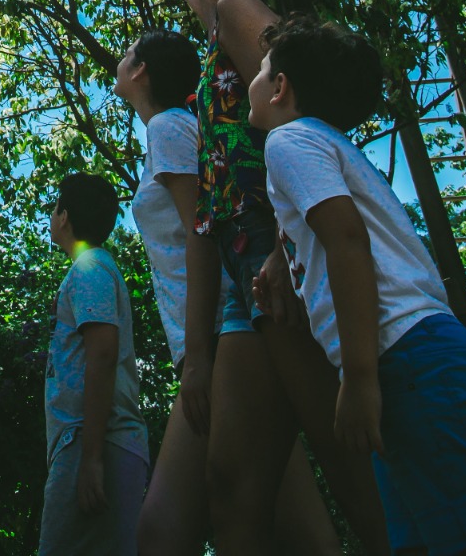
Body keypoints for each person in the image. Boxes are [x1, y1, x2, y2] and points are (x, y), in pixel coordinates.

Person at [167, 0, 389, 556]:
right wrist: (200, 348)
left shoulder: (236, 7)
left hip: (273, 253)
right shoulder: (212, 40)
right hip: (242, 269)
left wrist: (278, 249)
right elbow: (211, 204)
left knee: (350, 460)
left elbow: (302, 105)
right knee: (230, 486)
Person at [250, 14, 466, 556]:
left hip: (403, 361)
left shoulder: (287, 141)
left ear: (281, 87)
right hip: (415, 359)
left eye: (262, 70)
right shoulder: (329, 145)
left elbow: (347, 241)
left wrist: (357, 379)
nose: (256, 78)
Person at [116, 29, 340, 556]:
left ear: (141, 71)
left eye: (129, 55)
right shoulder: (173, 128)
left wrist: (198, 357)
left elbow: (205, 230)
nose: (121, 61)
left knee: (162, 530)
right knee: (295, 526)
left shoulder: (168, 127)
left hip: (221, 336)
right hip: (221, 334)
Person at [41, 171, 149, 556]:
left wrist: (90, 458)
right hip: (95, 444)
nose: (52, 215)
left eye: (55, 207)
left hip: (95, 442)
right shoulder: (92, 270)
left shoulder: (89, 269)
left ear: (65, 216)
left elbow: (102, 353)